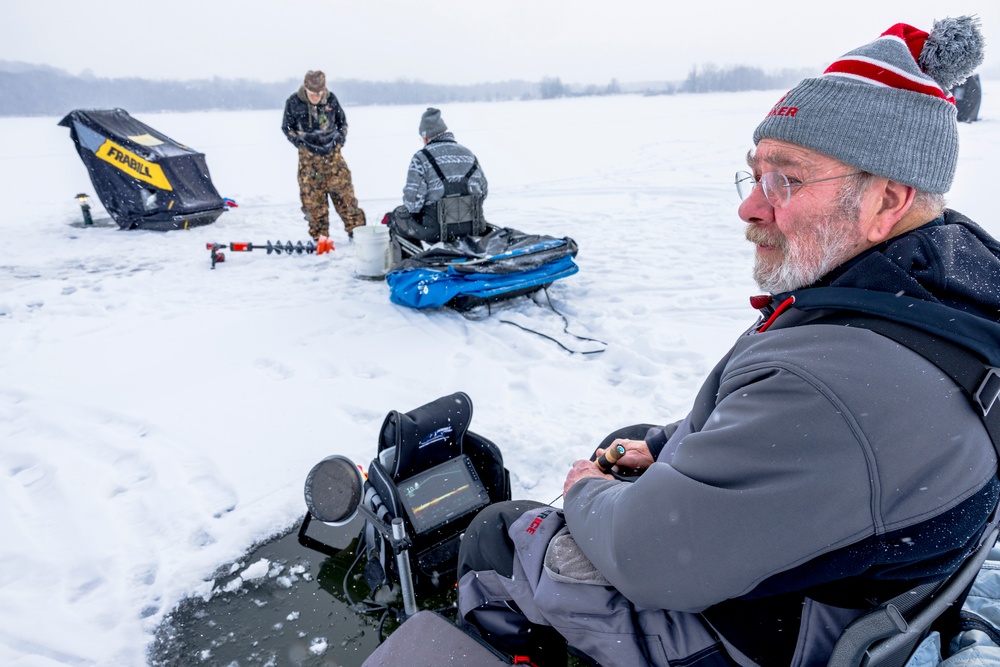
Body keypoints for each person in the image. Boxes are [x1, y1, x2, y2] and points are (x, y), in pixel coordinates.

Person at [456, 16, 1000, 667]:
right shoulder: (941, 299)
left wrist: (584, 489)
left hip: (760, 634)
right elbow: (797, 437)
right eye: (757, 175)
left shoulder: (834, 385)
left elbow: (650, 557)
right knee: (636, 440)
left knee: (500, 537)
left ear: (886, 198)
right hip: (851, 583)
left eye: (787, 180)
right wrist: (663, 447)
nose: (750, 206)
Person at [281, 70, 366, 239]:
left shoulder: (331, 100)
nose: (316, 97)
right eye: (312, 93)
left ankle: (357, 235)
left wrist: (339, 141)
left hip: (333, 157)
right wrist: (300, 143)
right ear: (305, 88)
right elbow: (287, 127)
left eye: (319, 93)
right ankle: (320, 239)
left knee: (346, 199)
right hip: (308, 161)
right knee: (314, 204)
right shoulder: (293, 102)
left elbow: (343, 123)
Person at [386, 107, 488, 243]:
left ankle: (411, 261)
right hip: (473, 227)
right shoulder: (469, 154)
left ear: (425, 136)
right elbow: (484, 191)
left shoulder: (421, 158)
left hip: (435, 231)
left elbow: (412, 203)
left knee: (397, 217)